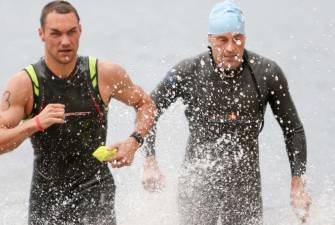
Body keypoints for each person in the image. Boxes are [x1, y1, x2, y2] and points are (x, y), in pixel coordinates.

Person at [142, 1, 311, 224]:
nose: (231, 47)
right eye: (222, 40)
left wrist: (297, 183)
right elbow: (147, 110)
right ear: (210, 40)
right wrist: (150, 162)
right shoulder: (188, 72)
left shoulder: (266, 73)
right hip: (198, 189)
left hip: (245, 190)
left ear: (245, 39)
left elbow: (293, 129)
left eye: (237, 38)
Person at [0, 1, 155, 224]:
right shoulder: (25, 84)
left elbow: (145, 104)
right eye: (56, 33)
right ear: (41, 34)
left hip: (95, 188)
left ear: (80, 31)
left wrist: (134, 141)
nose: (66, 41)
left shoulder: (104, 74)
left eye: (72, 32)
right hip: (46, 195)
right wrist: (34, 123)